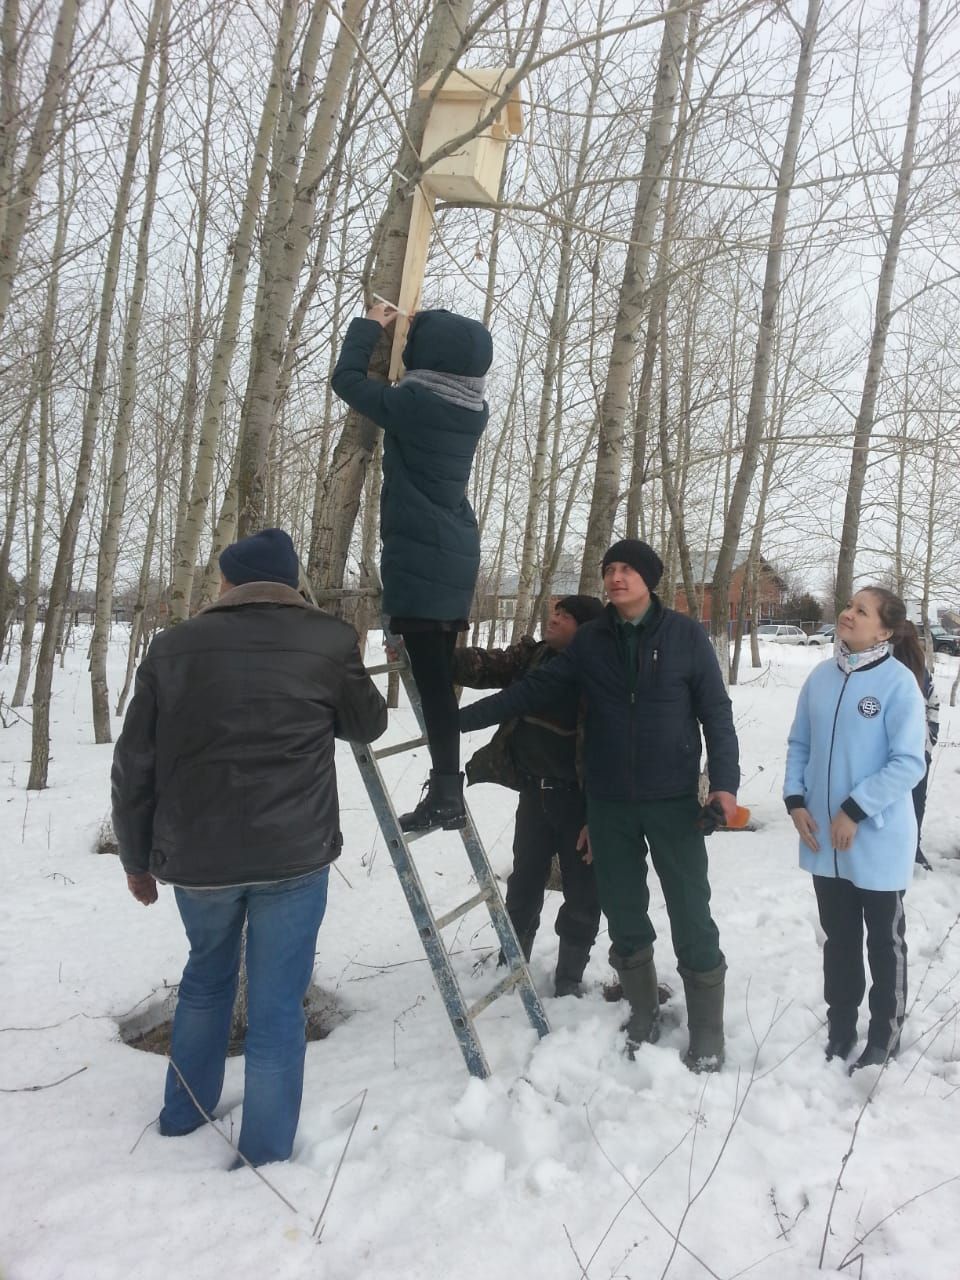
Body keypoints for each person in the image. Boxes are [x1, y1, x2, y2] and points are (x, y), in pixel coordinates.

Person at [112, 528, 387, 1166]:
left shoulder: (173, 647)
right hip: (294, 856)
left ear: (230, 581)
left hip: (199, 859)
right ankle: (264, 1153)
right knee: (275, 1003)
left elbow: (134, 766)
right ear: (289, 583)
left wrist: (136, 858)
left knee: (206, 983)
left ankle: (183, 1118)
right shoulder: (328, 639)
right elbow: (367, 723)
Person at [459, 539, 740, 1070]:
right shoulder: (591, 641)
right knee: (625, 913)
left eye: (627, 569)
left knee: (691, 912)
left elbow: (716, 713)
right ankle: (641, 1012)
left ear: (649, 578)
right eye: (609, 569)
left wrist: (724, 785)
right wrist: (456, 723)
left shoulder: (685, 635)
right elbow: (531, 691)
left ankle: (707, 1032)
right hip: (608, 803)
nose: (616, 577)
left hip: (673, 800)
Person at [331, 302, 492, 834]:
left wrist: (370, 325)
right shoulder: (472, 408)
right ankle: (448, 791)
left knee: (433, 684)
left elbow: (347, 380)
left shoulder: (416, 404)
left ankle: (448, 793)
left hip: (423, 559)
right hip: (452, 555)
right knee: (437, 684)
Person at [784, 586, 926, 1073]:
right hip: (823, 840)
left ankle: (885, 1033)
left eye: (860, 611)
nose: (847, 613)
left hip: (876, 839)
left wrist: (856, 809)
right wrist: (795, 800)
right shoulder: (821, 679)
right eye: (848, 606)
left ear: (884, 630)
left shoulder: (898, 684)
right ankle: (841, 1027)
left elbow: (909, 763)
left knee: (883, 942)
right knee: (838, 939)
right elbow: (799, 744)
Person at [453, 595, 605, 997]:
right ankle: (512, 962)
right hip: (535, 796)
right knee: (523, 883)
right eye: (554, 611)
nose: (553, 618)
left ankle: (569, 979)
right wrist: (432, 654)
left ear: (586, 629)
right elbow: (485, 667)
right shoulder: (534, 657)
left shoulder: (597, 674)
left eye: (565, 616)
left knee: (583, 894)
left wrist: (599, 816)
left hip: (581, 803)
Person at [894, 621, 939, 870]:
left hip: (919, 749)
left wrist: (929, 738)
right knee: (912, 799)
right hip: (902, 749)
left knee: (913, 799)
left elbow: (934, 705)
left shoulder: (920, 672)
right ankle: (909, 847)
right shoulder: (885, 668)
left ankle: (913, 847)